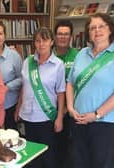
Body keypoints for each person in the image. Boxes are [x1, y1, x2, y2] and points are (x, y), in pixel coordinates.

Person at [66, 13, 114, 168]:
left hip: (104, 124)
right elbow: (70, 83)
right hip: (78, 121)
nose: (97, 31)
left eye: (101, 26)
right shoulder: (81, 53)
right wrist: (70, 108)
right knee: (79, 163)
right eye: (92, 28)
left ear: (110, 29)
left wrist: (97, 114)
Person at [15, 27, 66, 168]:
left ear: (51, 42)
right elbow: (24, 87)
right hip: (27, 117)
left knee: (48, 156)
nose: (41, 44)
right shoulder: (27, 62)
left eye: (45, 40)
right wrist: (18, 108)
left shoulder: (58, 65)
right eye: (38, 41)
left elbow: (61, 93)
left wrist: (60, 117)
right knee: (30, 156)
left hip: (46, 117)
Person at [54, 19, 78, 168]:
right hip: (48, 107)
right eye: (59, 34)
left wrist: (65, 109)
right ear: (55, 36)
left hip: (70, 108)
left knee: (66, 145)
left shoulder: (78, 56)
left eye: (66, 34)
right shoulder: (47, 54)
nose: (63, 37)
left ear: (71, 37)